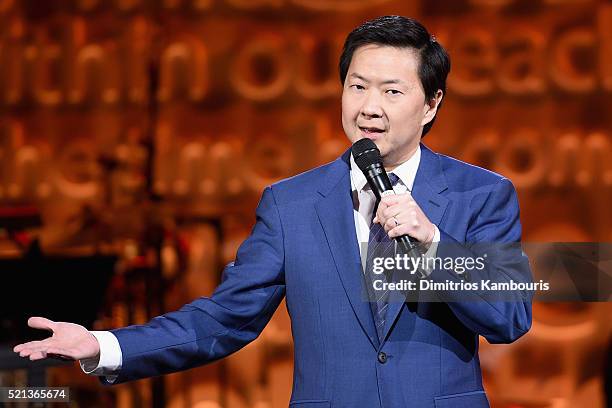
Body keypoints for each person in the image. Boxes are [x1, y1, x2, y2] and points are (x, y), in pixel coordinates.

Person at [14, 15, 532, 408]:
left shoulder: (481, 194)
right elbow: (224, 318)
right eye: (357, 86)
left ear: (431, 104)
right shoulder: (291, 204)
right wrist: (101, 346)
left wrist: (433, 245)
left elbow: (510, 317)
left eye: (392, 91)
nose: (369, 107)